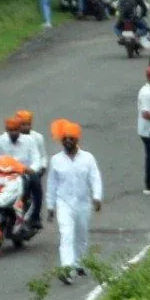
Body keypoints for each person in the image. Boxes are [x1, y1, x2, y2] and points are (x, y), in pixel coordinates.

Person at [45, 120, 103, 282]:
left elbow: (95, 178)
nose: (68, 142)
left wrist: (97, 196)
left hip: (83, 204)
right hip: (64, 204)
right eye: (65, 139)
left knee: (81, 235)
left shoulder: (88, 158)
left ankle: (80, 264)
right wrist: (50, 206)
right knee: (66, 235)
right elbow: (51, 184)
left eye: (71, 138)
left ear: (77, 140)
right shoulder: (56, 160)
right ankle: (67, 269)